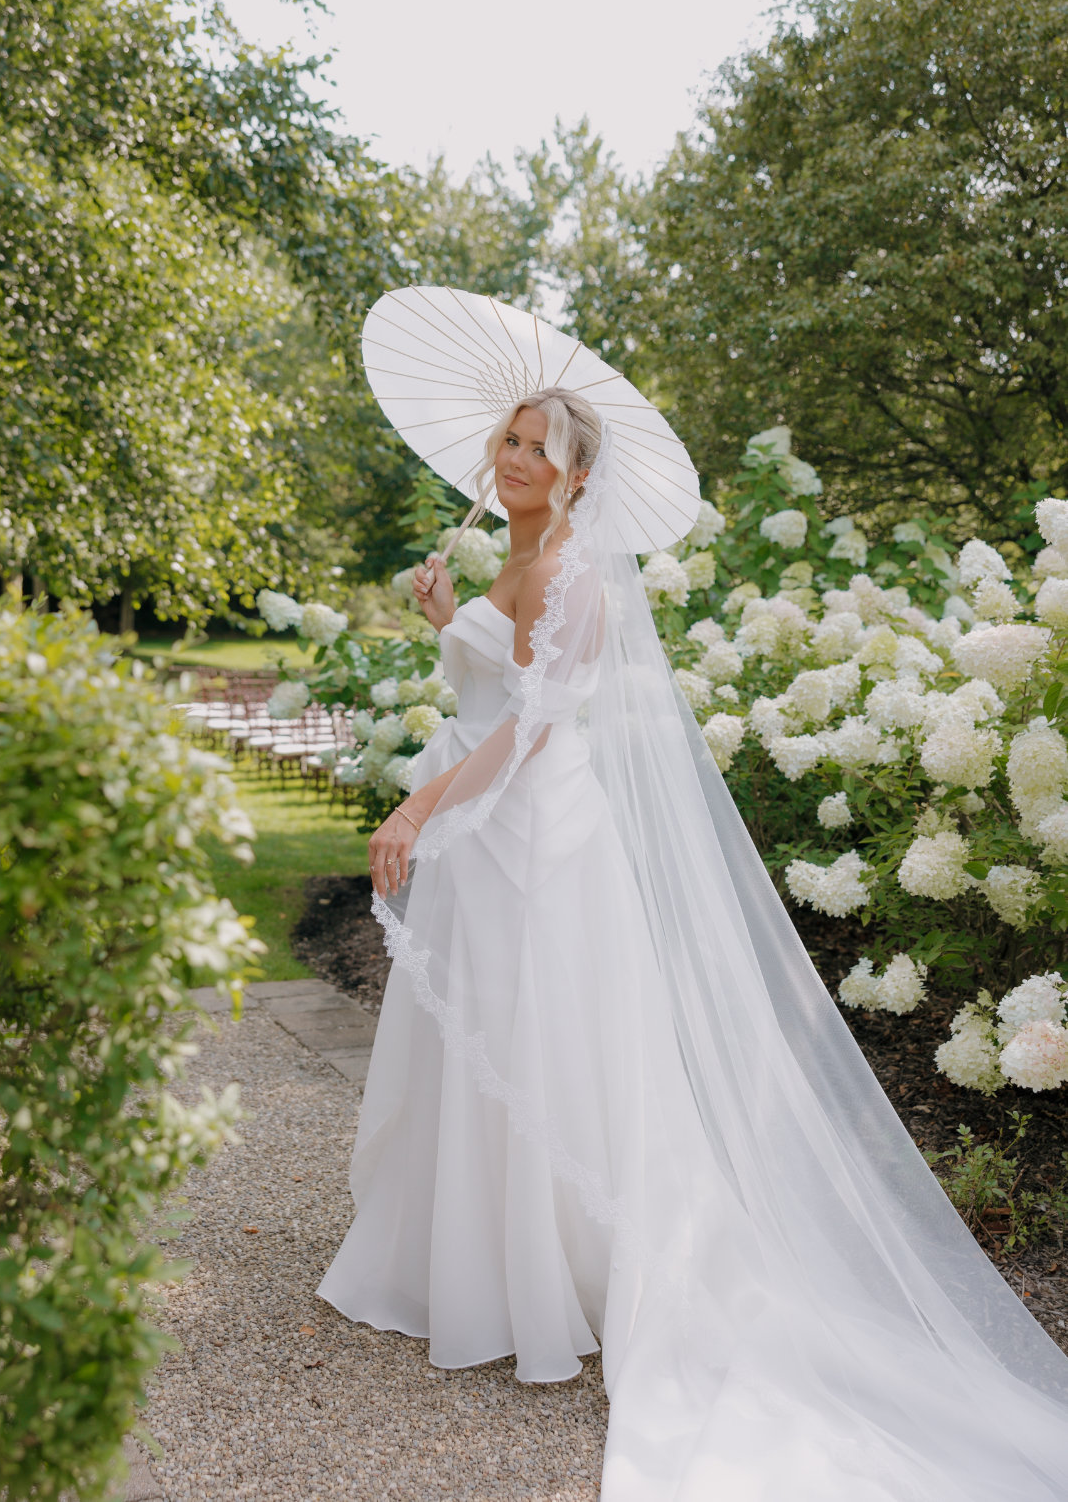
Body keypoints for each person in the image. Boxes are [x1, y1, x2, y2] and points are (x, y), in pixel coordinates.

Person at [319, 388, 1068, 1500]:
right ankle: (467, 1266)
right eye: (511, 441)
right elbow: (494, 682)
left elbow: (530, 727)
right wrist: (448, 615)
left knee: (545, 1042)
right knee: (480, 1034)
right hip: (487, 831)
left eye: (544, 449)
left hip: (533, 836)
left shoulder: (573, 578)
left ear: (578, 478)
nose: (520, 457)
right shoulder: (509, 556)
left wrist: (418, 808)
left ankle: (558, 1275)